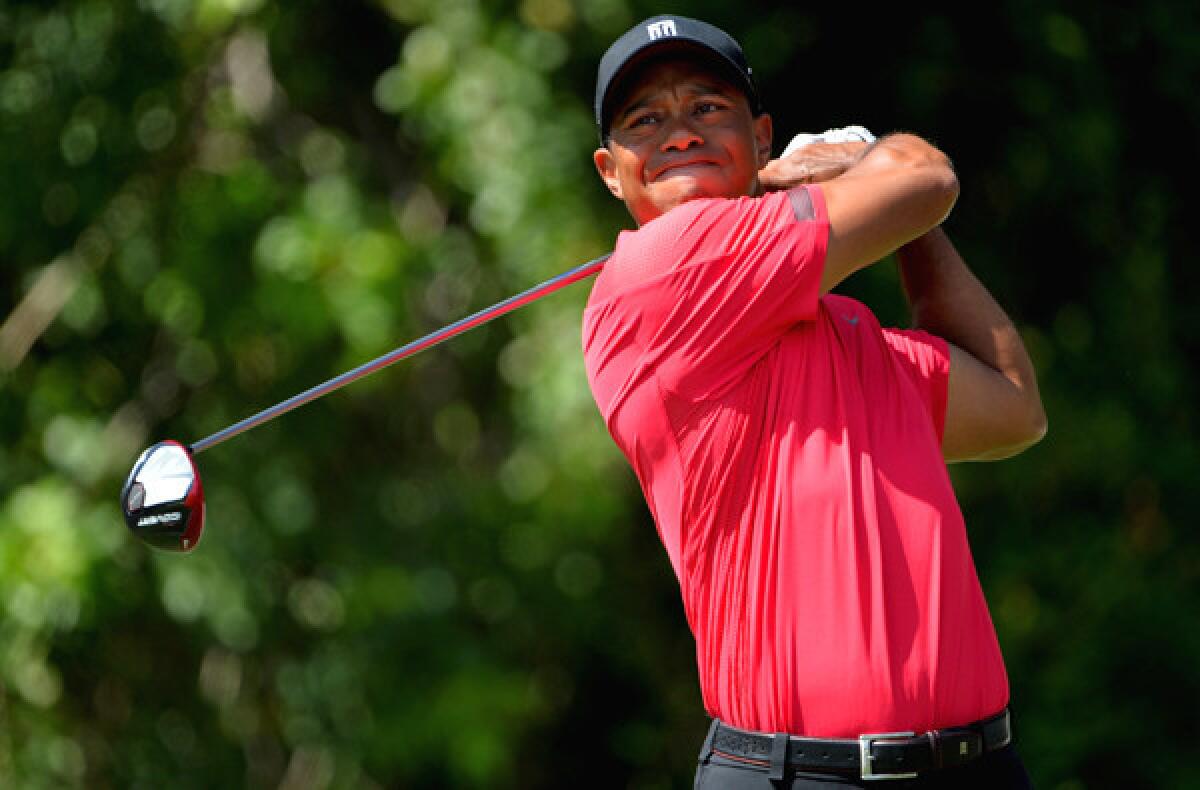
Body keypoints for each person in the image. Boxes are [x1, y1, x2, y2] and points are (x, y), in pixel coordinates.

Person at [581, 15, 1047, 789]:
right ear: (610, 171)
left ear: (762, 138)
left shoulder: (854, 335)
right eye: (645, 120)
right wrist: (871, 159)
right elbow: (927, 177)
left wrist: (906, 229)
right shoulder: (657, 271)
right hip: (799, 777)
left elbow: (1012, 406)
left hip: (979, 767)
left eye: (707, 108)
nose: (680, 132)